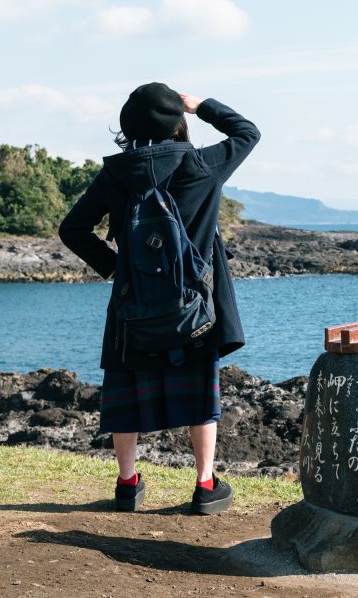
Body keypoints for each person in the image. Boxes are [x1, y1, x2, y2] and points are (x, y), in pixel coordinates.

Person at [59, 83, 260, 514]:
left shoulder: (116, 173)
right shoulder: (202, 165)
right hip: (194, 305)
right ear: (176, 121)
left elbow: (72, 228)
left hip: (133, 303)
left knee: (126, 386)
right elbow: (247, 132)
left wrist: (115, 267)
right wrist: (202, 105)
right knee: (201, 394)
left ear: (127, 126)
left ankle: (127, 485)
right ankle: (205, 486)